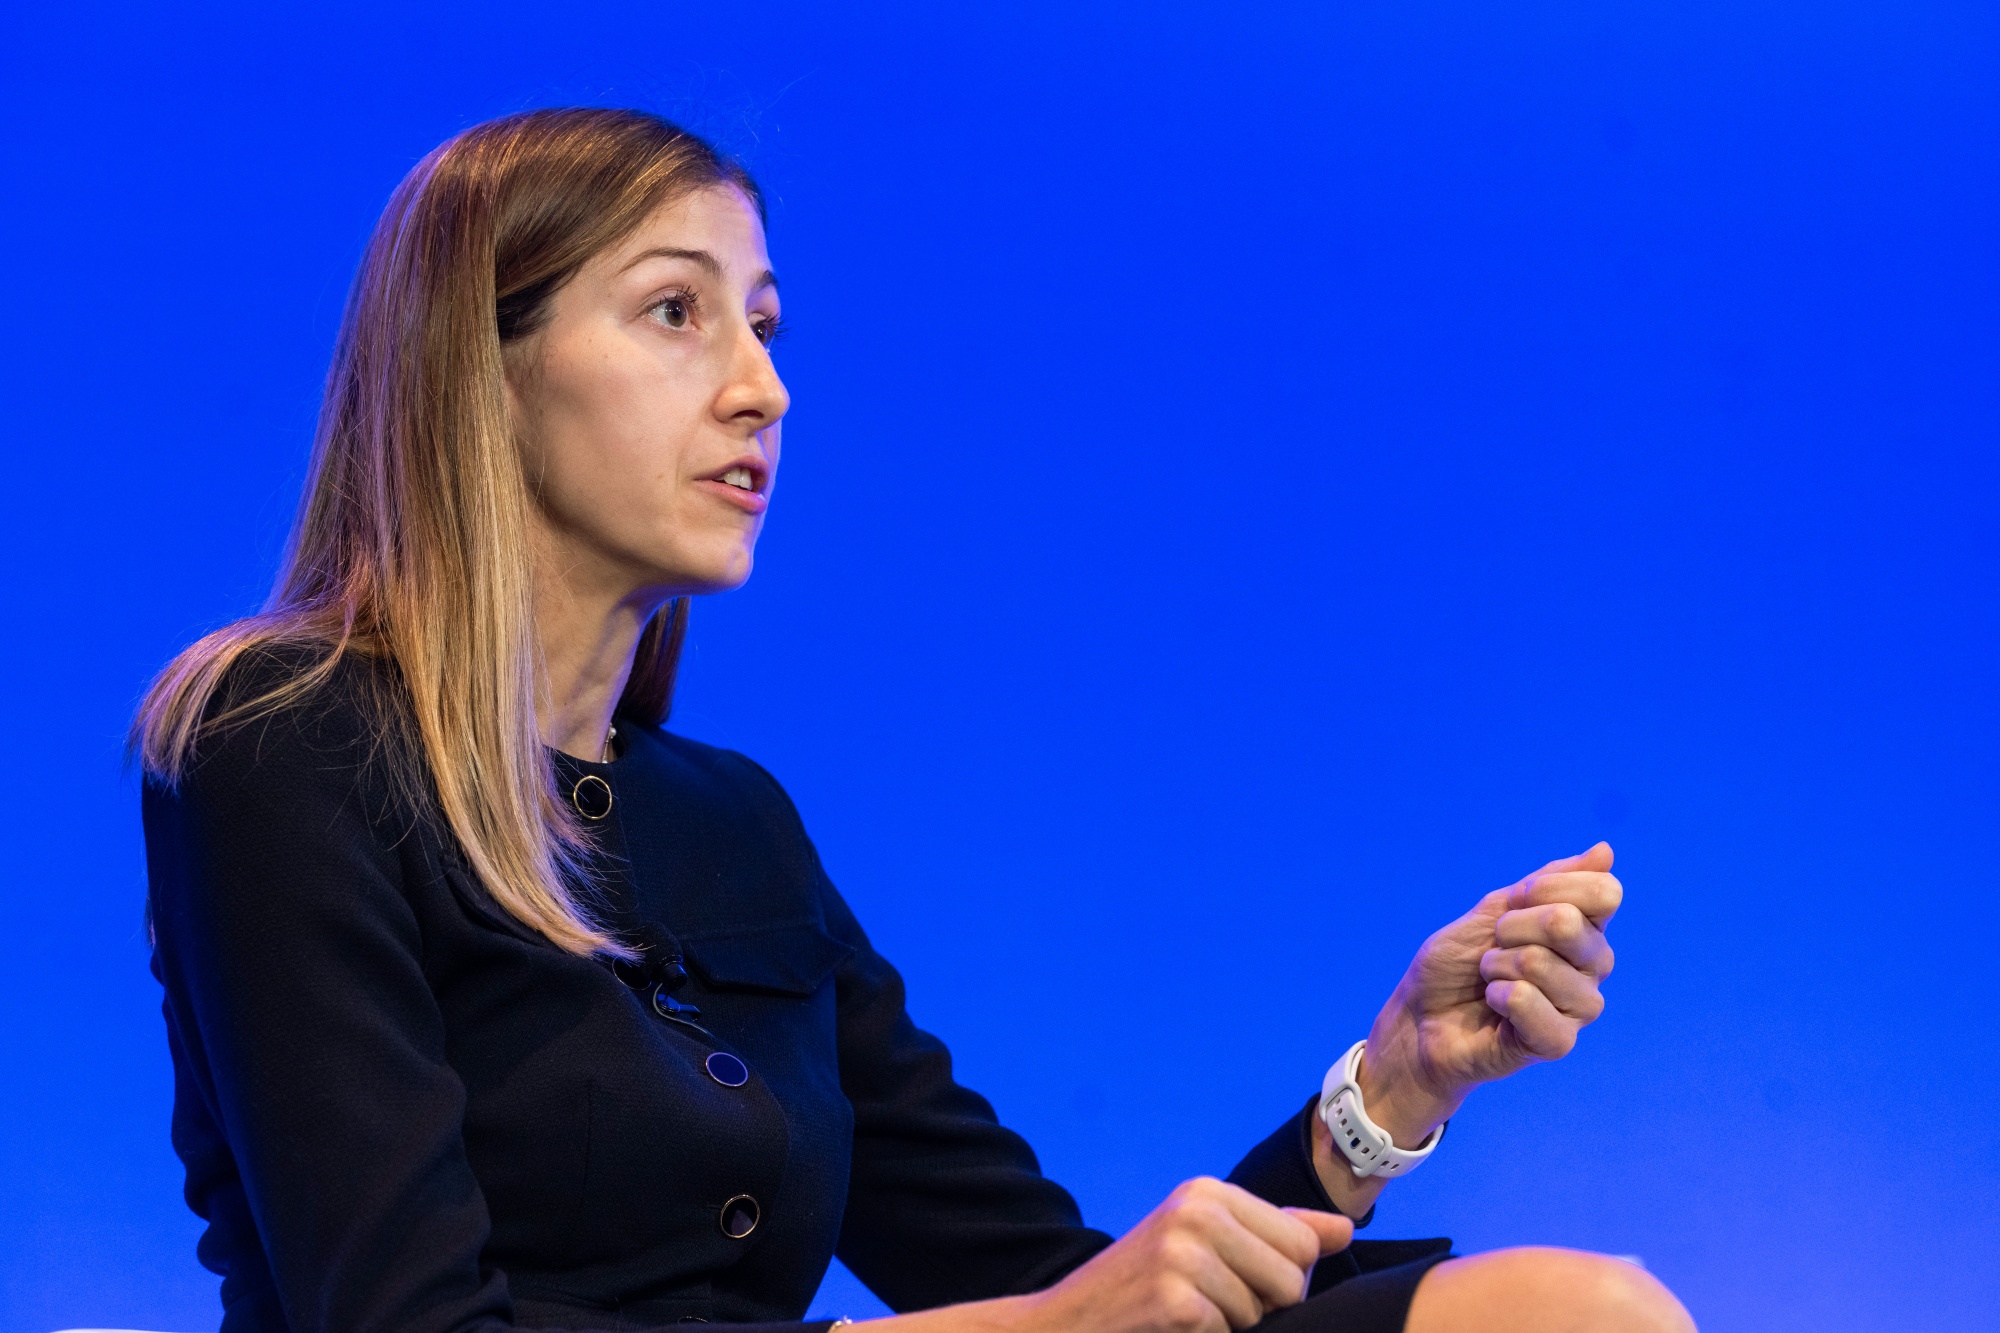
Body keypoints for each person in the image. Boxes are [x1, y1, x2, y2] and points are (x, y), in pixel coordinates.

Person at [134, 108, 1694, 1333]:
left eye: (765, 326)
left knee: (1581, 1310)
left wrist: (1391, 1086)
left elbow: (1064, 1278)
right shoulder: (282, 742)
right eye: (677, 314)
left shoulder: (732, 819)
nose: (763, 388)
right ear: (480, 372)